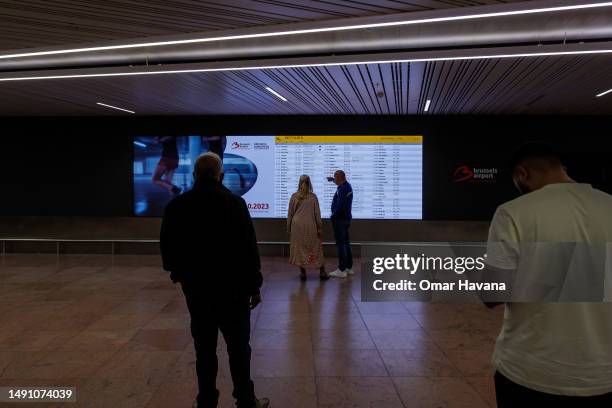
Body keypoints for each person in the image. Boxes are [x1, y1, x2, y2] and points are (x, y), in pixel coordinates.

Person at [484, 142, 612, 406]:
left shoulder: (513, 212)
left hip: (532, 371)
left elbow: (493, 294)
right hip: (604, 373)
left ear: (522, 173)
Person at [160, 152, 270, 408]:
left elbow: (167, 247)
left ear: (195, 175)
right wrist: (254, 286)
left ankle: (206, 400)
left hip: (197, 291)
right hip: (233, 291)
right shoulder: (234, 204)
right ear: (220, 175)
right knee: (239, 348)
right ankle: (244, 399)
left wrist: (180, 275)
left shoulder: (177, 205)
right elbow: (248, 248)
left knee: (205, 349)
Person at [287, 175, 329, 281]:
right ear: (310, 183)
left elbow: (290, 214)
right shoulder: (313, 197)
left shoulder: (294, 196)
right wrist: (320, 227)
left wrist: (288, 228)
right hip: (310, 225)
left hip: (297, 226)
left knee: (299, 249)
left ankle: (303, 273)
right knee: (316, 248)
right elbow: (317, 214)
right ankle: (322, 272)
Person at [328, 170, 354, 278]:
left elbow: (340, 206)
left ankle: (342, 269)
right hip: (346, 219)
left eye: (335, 177)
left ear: (340, 178)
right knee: (346, 243)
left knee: (341, 244)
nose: (334, 179)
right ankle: (348, 267)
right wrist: (332, 180)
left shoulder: (343, 189)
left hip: (340, 220)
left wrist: (333, 216)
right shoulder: (347, 186)